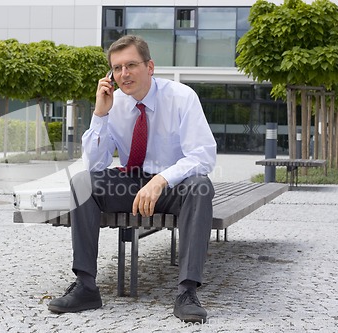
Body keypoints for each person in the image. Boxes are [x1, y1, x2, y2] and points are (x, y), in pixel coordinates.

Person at [48, 35, 217, 324]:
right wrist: (100, 115)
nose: (123, 74)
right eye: (116, 68)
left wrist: (162, 179)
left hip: (172, 187)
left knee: (201, 186)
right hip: (132, 183)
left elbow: (203, 156)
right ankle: (86, 286)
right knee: (82, 182)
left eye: (131, 65)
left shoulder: (182, 97)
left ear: (150, 66)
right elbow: (96, 164)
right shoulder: (114, 104)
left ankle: (187, 292)